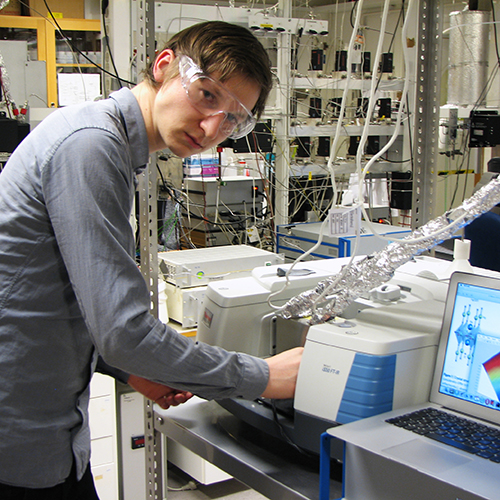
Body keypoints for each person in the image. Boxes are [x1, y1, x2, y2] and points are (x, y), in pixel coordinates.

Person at [0, 20, 303, 499]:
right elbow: (124, 331)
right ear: (164, 66)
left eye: (232, 120)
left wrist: (125, 368)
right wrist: (265, 378)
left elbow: (56, 304)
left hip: (46, 432)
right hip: (20, 443)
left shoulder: (112, 145)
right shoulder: (90, 145)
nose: (211, 129)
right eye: (207, 95)